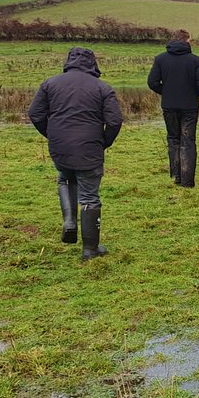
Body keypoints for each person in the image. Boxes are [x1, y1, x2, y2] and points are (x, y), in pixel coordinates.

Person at [28, 47, 123, 260]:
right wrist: (104, 142)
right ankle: (90, 249)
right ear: (93, 63)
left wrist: (51, 134)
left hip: (60, 145)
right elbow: (115, 120)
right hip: (90, 146)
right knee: (90, 196)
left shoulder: (50, 84)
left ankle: (69, 222)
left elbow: (35, 113)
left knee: (66, 180)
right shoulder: (102, 87)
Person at [147, 29, 199, 187]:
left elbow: (152, 82)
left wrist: (166, 92)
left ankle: (176, 176)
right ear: (186, 41)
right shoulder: (196, 61)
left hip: (169, 106)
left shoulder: (160, 59)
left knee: (173, 139)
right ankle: (187, 180)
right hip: (189, 107)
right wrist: (192, 93)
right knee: (188, 141)